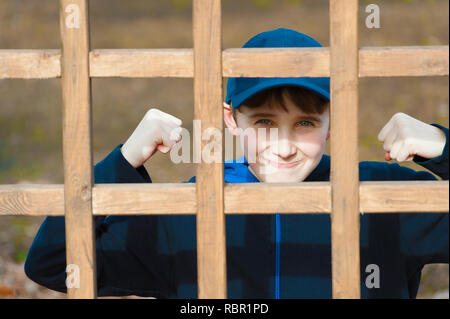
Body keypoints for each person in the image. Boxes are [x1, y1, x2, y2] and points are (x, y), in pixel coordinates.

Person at [24, 28, 448, 298]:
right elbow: (51, 262)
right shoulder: (188, 213)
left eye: (304, 122)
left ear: (331, 121)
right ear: (231, 119)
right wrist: (122, 164)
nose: (283, 148)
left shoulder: (381, 197)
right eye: (264, 121)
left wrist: (443, 147)